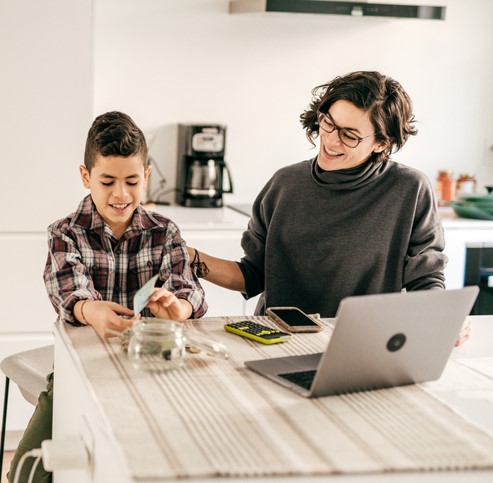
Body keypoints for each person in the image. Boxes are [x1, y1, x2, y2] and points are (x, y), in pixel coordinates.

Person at [8, 111, 207, 482]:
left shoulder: (165, 233)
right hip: (80, 369)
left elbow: (189, 290)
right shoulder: (65, 233)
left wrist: (178, 308)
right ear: (86, 177)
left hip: (152, 370)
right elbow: (67, 288)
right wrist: (89, 310)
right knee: (26, 473)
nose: (121, 194)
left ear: (146, 176)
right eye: (107, 181)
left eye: (132, 181)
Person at [187, 70, 448, 319]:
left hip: (359, 338)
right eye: (329, 123)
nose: (332, 140)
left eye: (350, 136)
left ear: (381, 143)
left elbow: (425, 279)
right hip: (276, 335)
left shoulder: (409, 189)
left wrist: (443, 317)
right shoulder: (285, 184)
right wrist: (190, 257)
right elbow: (253, 275)